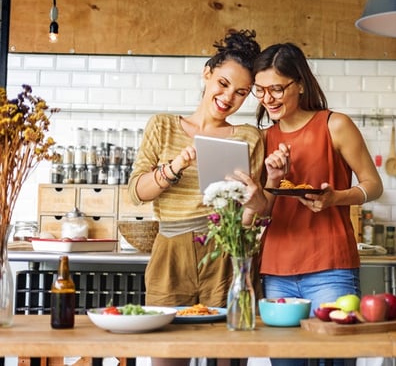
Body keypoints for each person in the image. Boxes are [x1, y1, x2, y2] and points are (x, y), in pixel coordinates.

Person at [127, 29, 265, 366]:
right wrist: (175, 165)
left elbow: (257, 211)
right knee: (167, 356)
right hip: (170, 253)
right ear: (207, 73)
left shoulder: (249, 136)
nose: (228, 96)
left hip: (226, 252)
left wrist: (254, 196)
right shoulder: (162, 126)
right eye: (223, 83)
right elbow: (136, 193)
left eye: (241, 92)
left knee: (229, 356)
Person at [253, 42, 383, 366]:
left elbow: (374, 185)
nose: (267, 98)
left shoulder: (334, 125)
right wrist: (272, 177)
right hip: (277, 269)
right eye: (259, 90)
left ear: (299, 83)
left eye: (276, 89)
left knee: (335, 360)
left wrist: (336, 198)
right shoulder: (263, 139)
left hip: (331, 267)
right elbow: (263, 209)